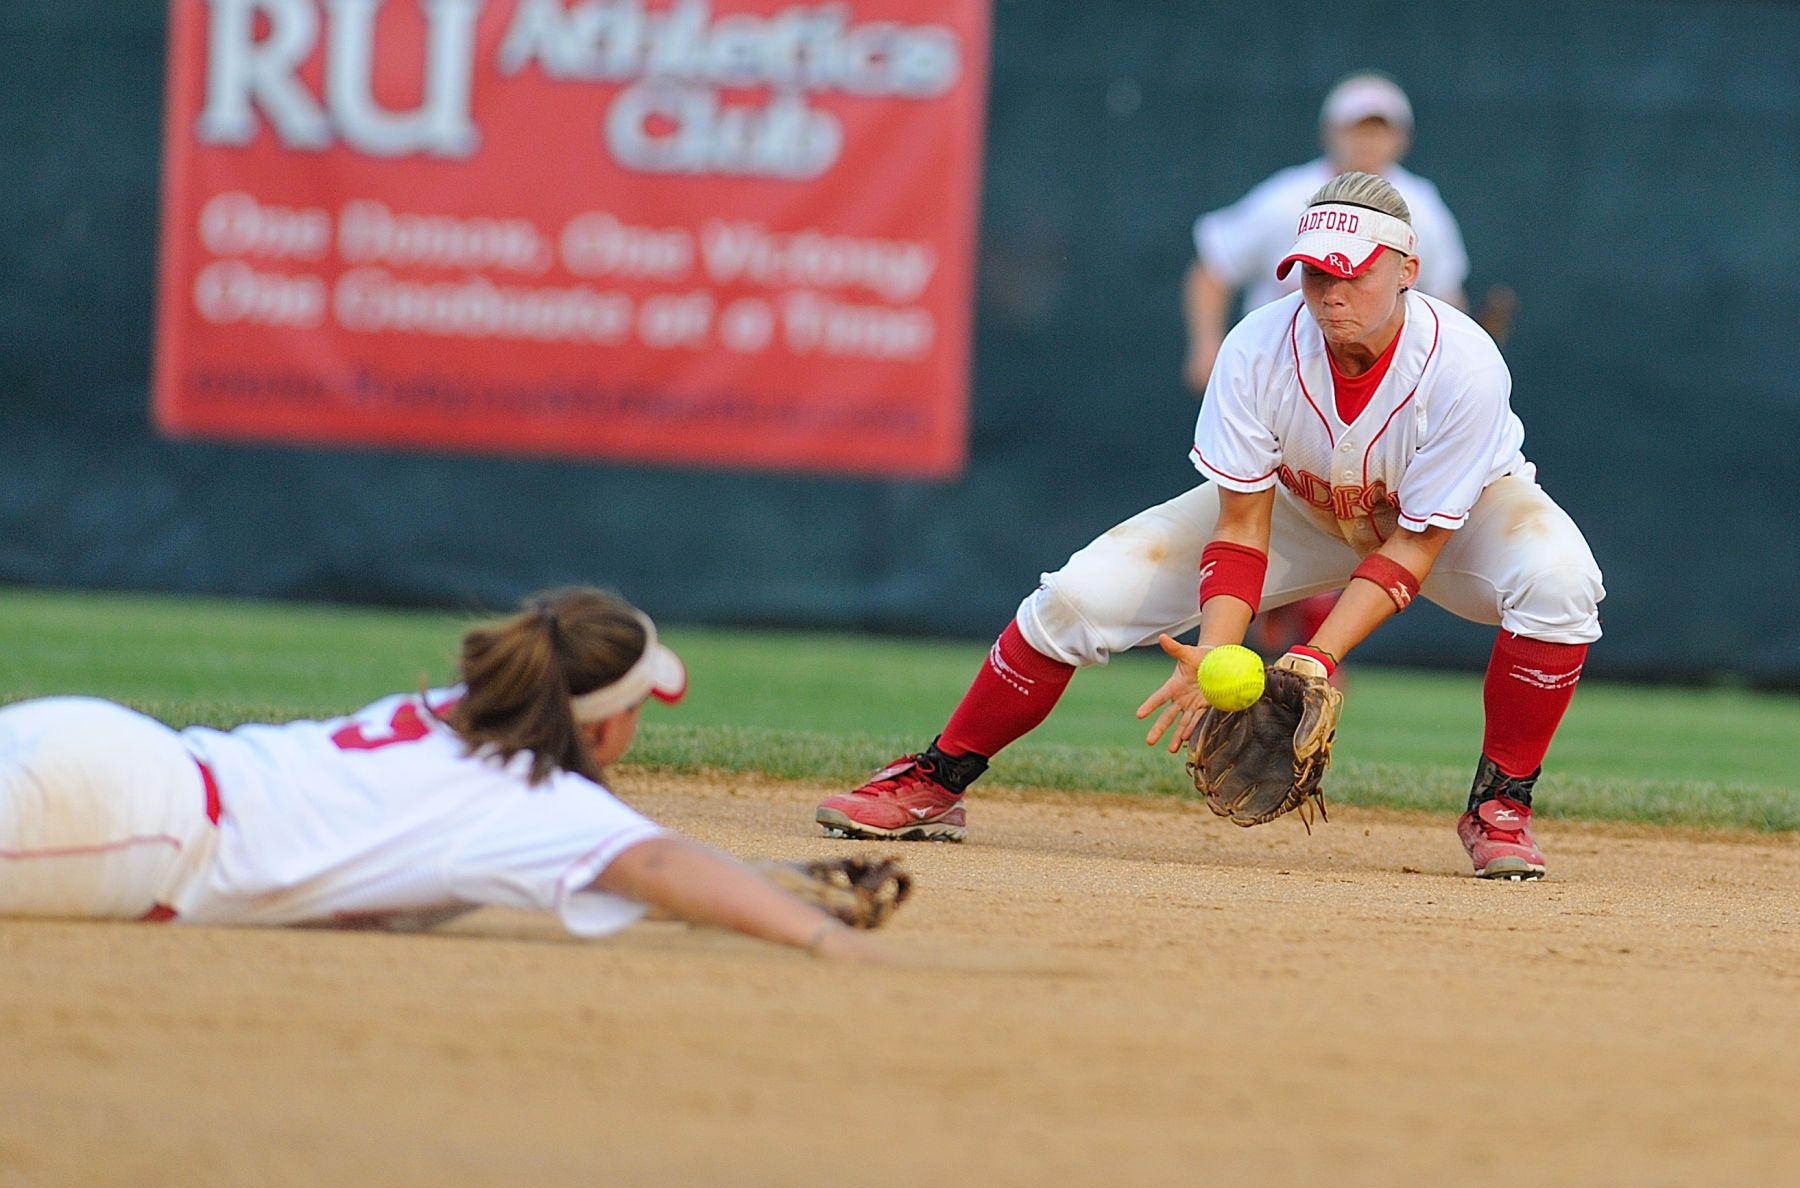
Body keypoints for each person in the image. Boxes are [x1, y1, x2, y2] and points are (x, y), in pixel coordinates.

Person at [817, 171, 1603, 881]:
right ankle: (936, 780)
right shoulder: (1258, 347)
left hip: (1455, 520)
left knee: (1561, 582)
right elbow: (1240, 527)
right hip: (1299, 512)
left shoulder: (1462, 362)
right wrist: (1218, 649)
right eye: (1314, 272)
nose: (1330, 292)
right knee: (1075, 600)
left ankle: (1500, 805)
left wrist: (1315, 655)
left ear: (1407, 270)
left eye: (1353, 272)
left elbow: (1417, 544)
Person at [0, 586, 885, 956]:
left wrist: (758, 883)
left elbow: (628, 868)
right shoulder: (537, 799)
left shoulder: (454, 716)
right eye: (639, 706)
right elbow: (650, 864)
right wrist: (815, 936)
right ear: (604, 723)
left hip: (111, 751)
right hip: (128, 828)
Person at [1183, 72, 1481, 665]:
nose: (1369, 142)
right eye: (1357, 127)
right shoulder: (1286, 197)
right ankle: (1278, 629)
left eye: (1382, 129)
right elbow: (1211, 268)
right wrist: (1206, 346)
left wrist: (1460, 374)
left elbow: (1448, 298)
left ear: (1401, 138)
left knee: (1361, 542)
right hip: (1281, 392)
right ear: (1331, 133)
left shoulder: (1421, 208)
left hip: (1376, 403)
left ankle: (1306, 657)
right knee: (1248, 523)